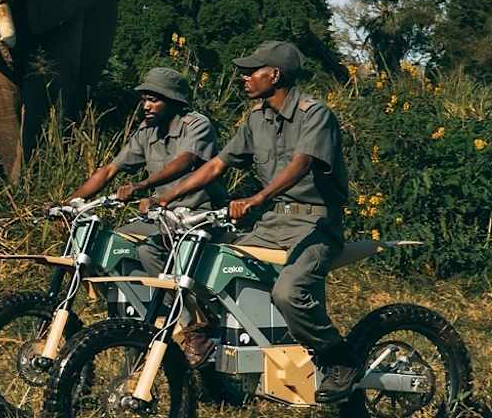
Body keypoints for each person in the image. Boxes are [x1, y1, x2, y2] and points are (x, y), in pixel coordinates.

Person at [151, 41, 360, 403]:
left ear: (274, 75)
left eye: (252, 71)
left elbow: (303, 163)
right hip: (272, 224)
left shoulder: (315, 114)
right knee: (207, 266)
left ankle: (339, 359)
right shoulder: (255, 119)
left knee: (288, 293)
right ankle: (212, 335)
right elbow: (217, 164)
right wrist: (168, 195)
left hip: (315, 225)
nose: (244, 78)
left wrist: (257, 198)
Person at [67, 67, 228, 357]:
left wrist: (144, 185)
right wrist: (69, 202)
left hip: (199, 214)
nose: (146, 106)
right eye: (144, 100)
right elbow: (110, 170)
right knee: (114, 244)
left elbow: (185, 161)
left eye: (154, 99)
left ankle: (196, 321)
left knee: (148, 252)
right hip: (162, 217)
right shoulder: (146, 131)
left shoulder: (196, 125)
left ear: (174, 100)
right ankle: (150, 313)